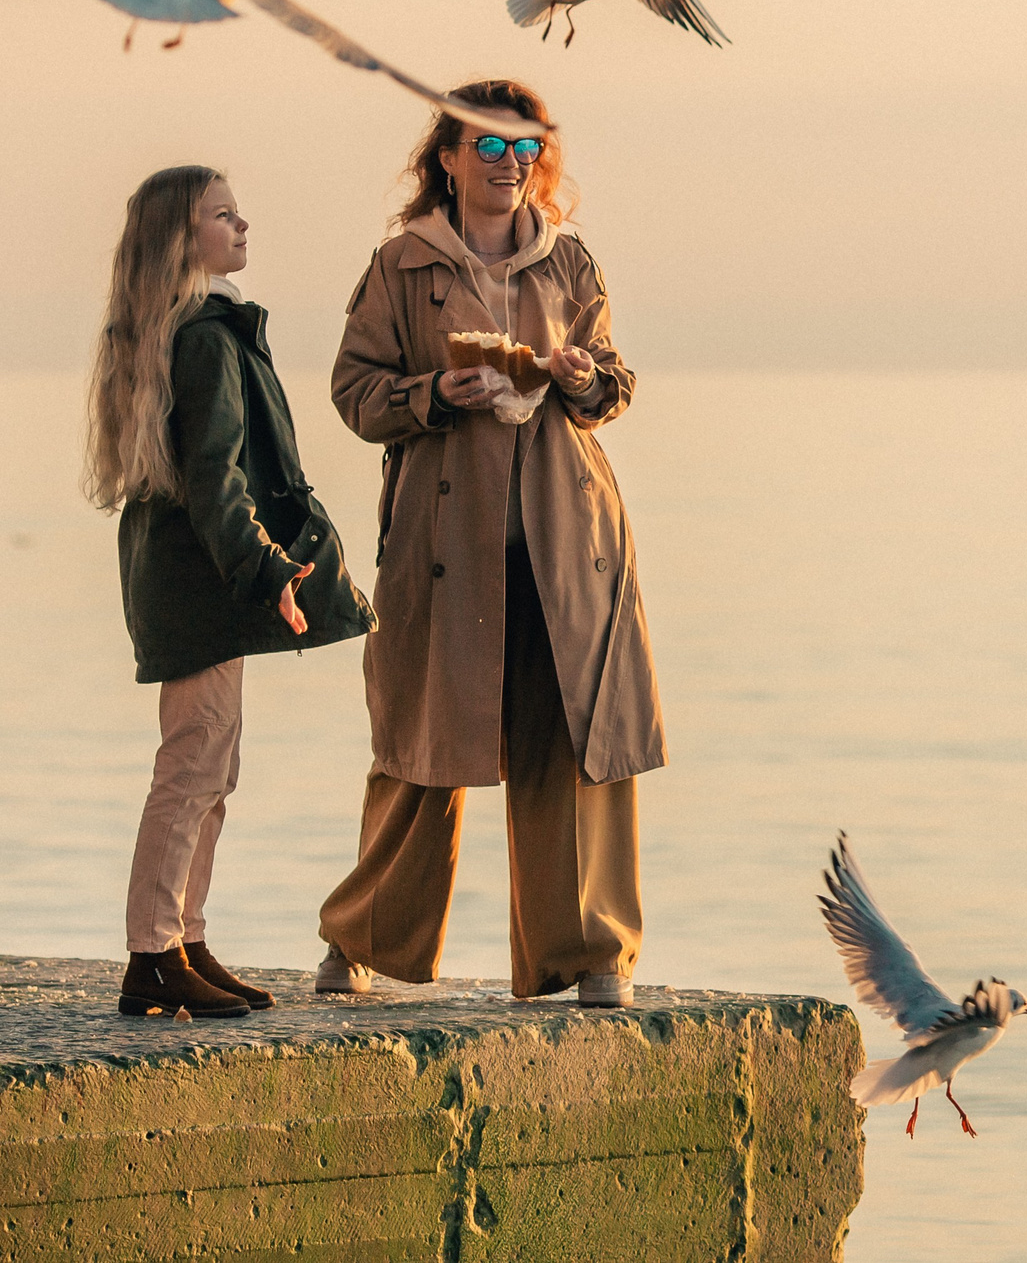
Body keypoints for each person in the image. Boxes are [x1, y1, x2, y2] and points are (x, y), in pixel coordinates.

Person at [317, 79, 662, 1006]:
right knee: (423, 741)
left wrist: (586, 379)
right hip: (444, 538)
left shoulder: (570, 264)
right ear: (449, 158)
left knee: (576, 745)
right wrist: (432, 396)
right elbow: (356, 391)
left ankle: (591, 956)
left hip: (565, 542)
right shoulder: (403, 265)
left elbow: (615, 386)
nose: (509, 164)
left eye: (524, 148)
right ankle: (361, 941)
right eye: (489, 146)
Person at [91, 166, 375, 1019]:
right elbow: (220, 479)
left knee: (215, 764)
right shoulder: (207, 337)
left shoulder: (173, 330)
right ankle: (153, 952)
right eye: (222, 215)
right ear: (184, 240)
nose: (242, 224)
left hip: (187, 581)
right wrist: (267, 571)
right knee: (193, 766)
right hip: (205, 585)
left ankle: (184, 934)